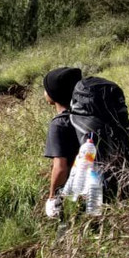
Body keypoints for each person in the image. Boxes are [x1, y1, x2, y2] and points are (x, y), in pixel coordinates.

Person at [42, 66, 83, 219]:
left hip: (75, 192)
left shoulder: (59, 124)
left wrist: (52, 198)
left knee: (69, 229)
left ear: (54, 93)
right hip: (98, 184)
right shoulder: (84, 116)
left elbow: (60, 168)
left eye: (46, 88)